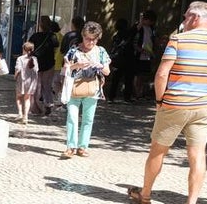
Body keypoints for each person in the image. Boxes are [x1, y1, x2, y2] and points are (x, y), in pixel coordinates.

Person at [127, 1, 207, 204]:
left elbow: (162, 74)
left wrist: (159, 100)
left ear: (194, 18)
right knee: (198, 155)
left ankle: (145, 194)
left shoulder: (179, 40)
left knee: (158, 150)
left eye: (185, 17)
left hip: (174, 104)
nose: (183, 21)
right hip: (202, 107)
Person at [59, 21, 111, 158]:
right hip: (74, 88)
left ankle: (83, 147)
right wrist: (76, 65)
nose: (91, 42)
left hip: (92, 89)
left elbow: (107, 71)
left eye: (94, 39)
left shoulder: (101, 51)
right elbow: (64, 69)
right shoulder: (74, 50)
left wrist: (100, 65)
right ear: (83, 36)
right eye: (88, 38)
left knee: (88, 119)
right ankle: (71, 147)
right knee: (72, 117)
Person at [28, 15, 58, 114]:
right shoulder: (53, 36)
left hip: (37, 63)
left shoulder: (35, 36)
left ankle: (36, 107)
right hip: (49, 63)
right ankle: (48, 103)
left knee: (36, 86)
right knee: (47, 85)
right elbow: (55, 48)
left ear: (40, 24)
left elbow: (29, 48)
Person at [106, 17, 137, 102]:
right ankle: (127, 97)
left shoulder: (116, 36)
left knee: (115, 79)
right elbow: (134, 30)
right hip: (128, 59)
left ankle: (111, 97)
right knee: (128, 79)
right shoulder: (128, 34)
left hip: (118, 60)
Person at [132, 9, 158, 101]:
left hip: (148, 53)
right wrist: (139, 49)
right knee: (138, 75)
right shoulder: (139, 27)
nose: (150, 23)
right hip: (139, 54)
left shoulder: (151, 29)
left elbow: (152, 40)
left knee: (144, 75)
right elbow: (133, 39)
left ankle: (141, 92)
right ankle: (136, 93)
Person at [14, 41, 38, 124]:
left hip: (22, 80)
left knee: (18, 97)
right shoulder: (34, 59)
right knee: (27, 98)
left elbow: (18, 69)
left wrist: (15, 76)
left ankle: (20, 113)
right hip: (31, 81)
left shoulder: (20, 58)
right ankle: (26, 116)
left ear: (24, 49)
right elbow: (36, 70)